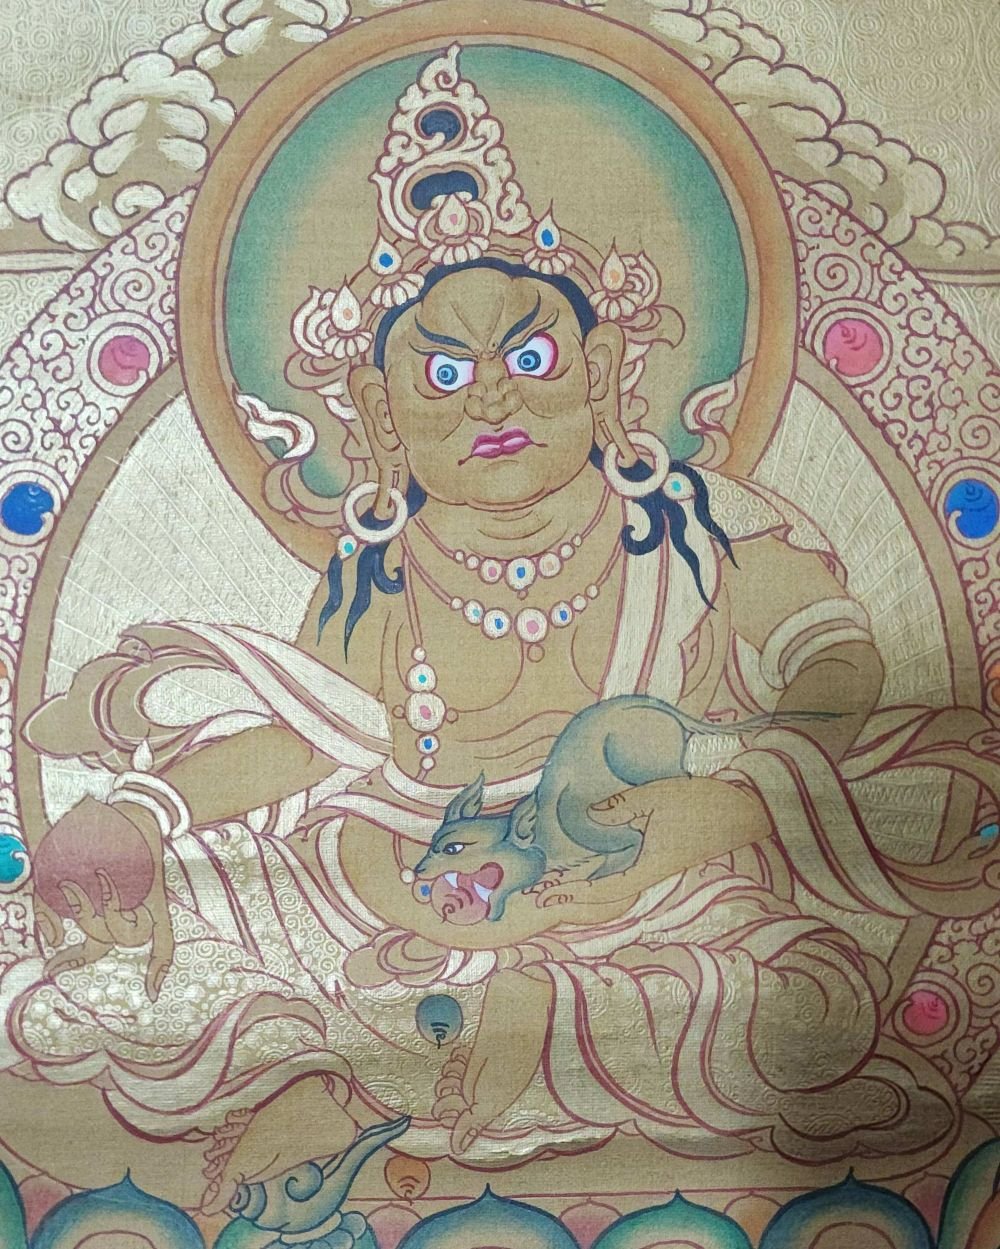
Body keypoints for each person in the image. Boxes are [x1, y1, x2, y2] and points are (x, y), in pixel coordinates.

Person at [7, 45, 1000, 1211]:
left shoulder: (696, 524)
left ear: (603, 367)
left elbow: (836, 667)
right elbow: (315, 738)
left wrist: (713, 801)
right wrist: (146, 813)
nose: (492, 395)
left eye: (530, 355)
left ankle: (435, 1065)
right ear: (377, 411)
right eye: (440, 373)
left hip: (652, 880)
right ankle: (449, 1055)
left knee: (800, 993)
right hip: (414, 881)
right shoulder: (378, 571)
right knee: (187, 943)